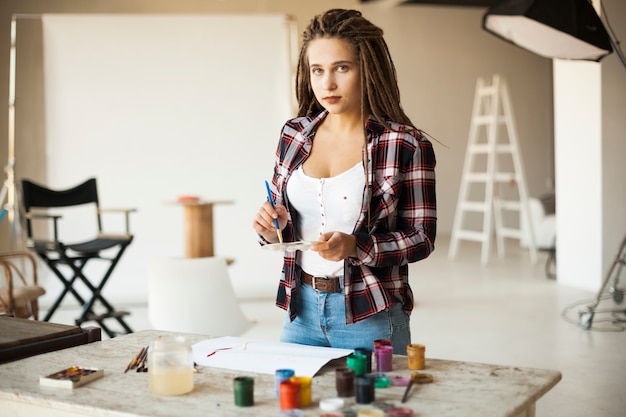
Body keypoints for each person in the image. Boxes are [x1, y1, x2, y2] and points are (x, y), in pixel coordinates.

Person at [252, 8, 436, 355]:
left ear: (368, 69)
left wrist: (355, 247)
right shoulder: (293, 134)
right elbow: (283, 222)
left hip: (370, 312)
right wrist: (269, 228)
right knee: (293, 408)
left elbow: (422, 238)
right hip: (300, 309)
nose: (327, 83)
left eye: (342, 68)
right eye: (317, 70)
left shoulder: (404, 144)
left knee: (372, 409)